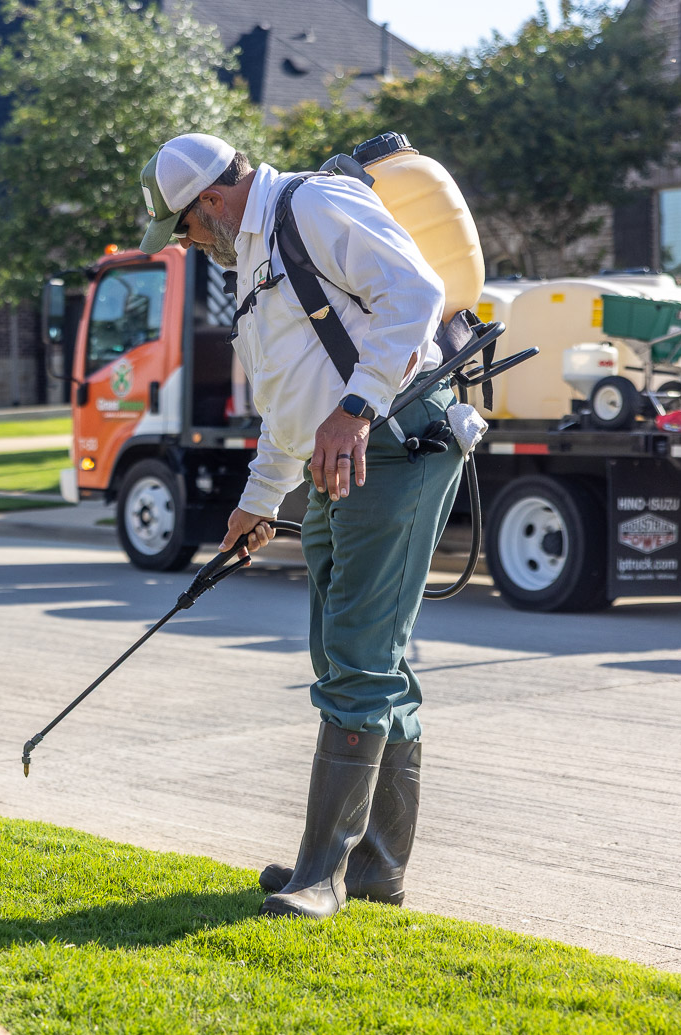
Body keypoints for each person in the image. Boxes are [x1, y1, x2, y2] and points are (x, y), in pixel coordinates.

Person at [137, 133, 463, 920]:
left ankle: (322, 876)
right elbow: (289, 403)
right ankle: (375, 869)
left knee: (358, 660)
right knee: (355, 657)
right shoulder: (254, 261)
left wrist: (355, 409)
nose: (185, 243)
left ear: (210, 201)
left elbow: (416, 294)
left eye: (184, 227)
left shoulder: (312, 203)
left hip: (395, 445)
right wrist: (257, 502)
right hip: (334, 461)